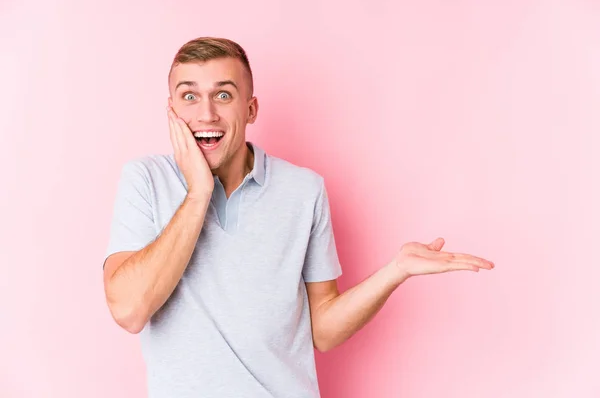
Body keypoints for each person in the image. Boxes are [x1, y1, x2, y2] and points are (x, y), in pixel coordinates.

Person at [102, 36, 494, 398]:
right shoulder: (146, 181)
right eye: (190, 96)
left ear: (251, 108)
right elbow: (129, 309)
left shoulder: (303, 190)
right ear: (171, 110)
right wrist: (198, 193)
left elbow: (322, 329)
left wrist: (396, 270)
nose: (207, 113)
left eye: (223, 94)